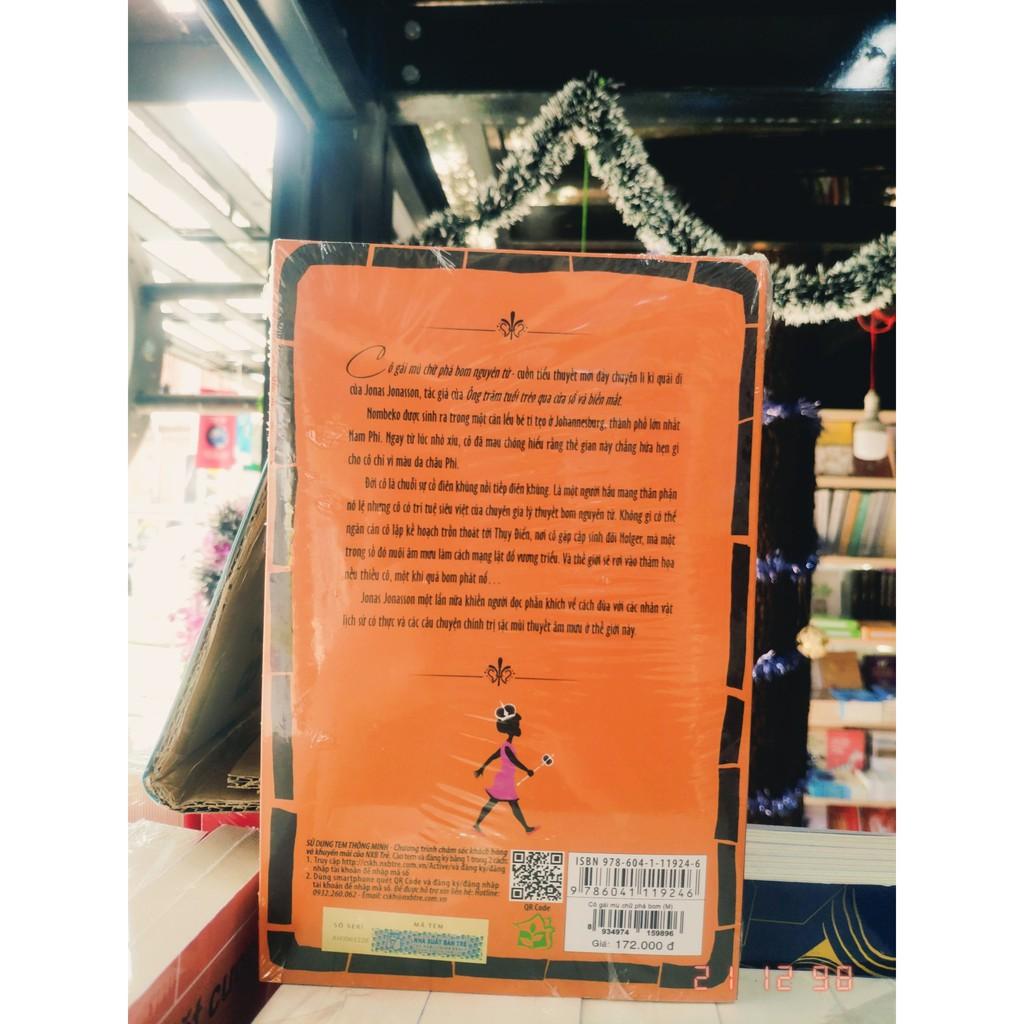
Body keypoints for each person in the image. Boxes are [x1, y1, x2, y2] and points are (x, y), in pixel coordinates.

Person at [473, 704, 538, 834]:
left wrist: (482, 768)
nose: (518, 727)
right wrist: (527, 770)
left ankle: (477, 824)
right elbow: (514, 760)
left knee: (496, 803)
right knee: (511, 804)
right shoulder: (507, 746)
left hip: (504, 779)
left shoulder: (506, 745)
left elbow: (492, 757)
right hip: (505, 780)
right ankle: (526, 828)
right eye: (516, 725)